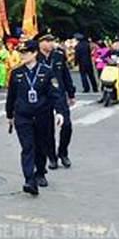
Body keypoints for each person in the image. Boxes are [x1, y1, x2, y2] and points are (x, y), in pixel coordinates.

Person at [5, 40, 63, 196]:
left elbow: (55, 94)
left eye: (26, 53)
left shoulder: (47, 71)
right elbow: (11, 96)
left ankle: (40, 173)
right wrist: (9, 115)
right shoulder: (16, 73)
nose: (23, 56)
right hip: (23, 116)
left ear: (35, 53)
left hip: (42, 115)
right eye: (21, 53)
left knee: (40, 146)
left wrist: (59, 112)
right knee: (28, 147)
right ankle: (29, 180)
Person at [38, 34, 75, 169]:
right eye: (47, 41)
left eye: (52, 41)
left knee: (67, 126)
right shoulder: (35, 58)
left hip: (59, 95)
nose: (50, 43)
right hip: (44, 97)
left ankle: (63, 153)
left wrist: (71, 93)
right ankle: (52, 157)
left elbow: (66, 75)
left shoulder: (58, 55)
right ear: (40, 43)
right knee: (47, 130)